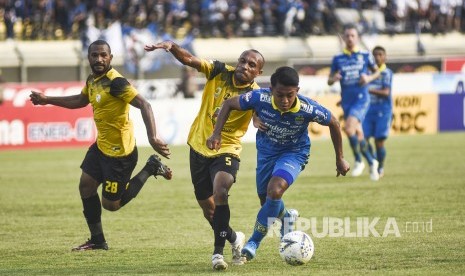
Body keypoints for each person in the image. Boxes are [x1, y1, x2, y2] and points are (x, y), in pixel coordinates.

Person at [29, 39, 173, 251]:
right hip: (101, 148)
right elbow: (80, 100)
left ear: (111, 58)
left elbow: (144, 104)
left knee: (111, 205)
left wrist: (153, 137)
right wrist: (47, 99)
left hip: (120, 155)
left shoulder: (116, 82)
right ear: (88, 58)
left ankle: (151, 167)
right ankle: (97, 240)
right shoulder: (93, 80)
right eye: (95, 55)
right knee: (85, 186)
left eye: (103, 55)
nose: (99, 59)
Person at [207, 66, 350, 261]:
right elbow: (230, 103)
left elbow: (333, 122)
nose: (284, 101)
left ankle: (253, 242)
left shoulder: (308, 108)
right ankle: (287, 217)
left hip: (294, 153)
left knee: (275, 190)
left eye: (290, 95)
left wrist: (339, 158)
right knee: (268, 203)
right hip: (266, 153)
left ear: (297, 91)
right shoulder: (259, 98)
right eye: (280, 95)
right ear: (271, 89)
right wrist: (217, 133)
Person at [144, 41, 265, 270]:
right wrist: (172, 46)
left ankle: (217, 254)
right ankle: (234, 238)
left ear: (259, 72)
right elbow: (190, 59)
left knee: (221, 190)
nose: (245, 66)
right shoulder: (219, 71)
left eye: (252, 65)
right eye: (242, 61)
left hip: (227, 149)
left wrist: (258, 120)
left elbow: (259, 115)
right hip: (199, 146)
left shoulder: (256, 94)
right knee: (209, 210)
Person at [327, 23, 381, 181]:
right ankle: (372, 162)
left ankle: (358, 160)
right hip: (347, 101)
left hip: (361, 99)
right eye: (347, 36)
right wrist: (334, 78)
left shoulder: (365, 55)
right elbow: (329, 81)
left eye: (353, 35)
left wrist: (369, 78)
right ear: (343, 38)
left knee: (349, 128)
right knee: (358, 134)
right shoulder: (338, 58)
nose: (350, 38)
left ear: (357, 38)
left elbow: (377, 72)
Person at [362, 46, 393, 178]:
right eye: (375, 55)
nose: (377, 57)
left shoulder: (386, 72)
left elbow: (386, 92)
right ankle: (372, 161)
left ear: (385, 57)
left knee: (378, 142)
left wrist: (367, 89)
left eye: (380, 54)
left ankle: (380, 166)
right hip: (367, 110)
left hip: (382, 110)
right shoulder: (367, 73)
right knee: (362, 139)